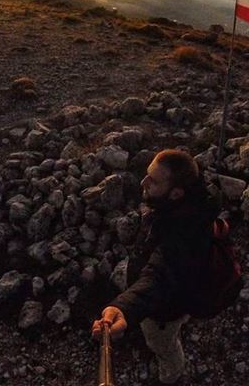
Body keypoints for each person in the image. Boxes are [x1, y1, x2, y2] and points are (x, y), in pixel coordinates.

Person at [91, 149, 221, 385]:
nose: (143, 182)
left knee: (163, 344)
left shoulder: (185, 234)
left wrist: (124, 308)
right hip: (162, 295)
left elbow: (159, 276)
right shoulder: (177, 205)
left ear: (176, 193)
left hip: (164, 310)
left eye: (153, 181)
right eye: (147, 174)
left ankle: (171, 374)